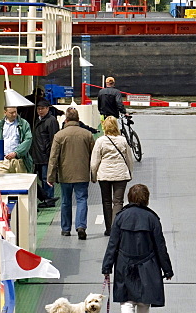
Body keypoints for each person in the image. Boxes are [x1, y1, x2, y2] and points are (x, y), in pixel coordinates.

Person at [101, 183, 174, 313]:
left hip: (124, 264)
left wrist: (107, 267)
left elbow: (113, 244)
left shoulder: (120, 217)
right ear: (146, 199)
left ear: (130, 197)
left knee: (127, 300)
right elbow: (160, 246)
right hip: (147, 264)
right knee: (143, 302)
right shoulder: (152, 218)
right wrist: (167, 269)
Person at [47, 107, 95, 239]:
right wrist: (94, 174)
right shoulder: (87, 134)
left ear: (66, 119)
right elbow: (94, 156)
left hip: (65, 174)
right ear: (78, 119)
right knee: (82, 200)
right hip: (82, 173)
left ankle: (66, 229)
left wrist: (50, 176)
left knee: (65, 201)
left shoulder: (59, 135)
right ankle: (81, 226)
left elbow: (53, 158)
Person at [91, 116, 134, 236]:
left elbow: (95, 161)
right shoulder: (123, 140)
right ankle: (116, 227)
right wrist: (129, 172)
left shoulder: (100, 141)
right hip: (120, 174)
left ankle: (109, 229)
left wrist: (93, 176)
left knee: (106, 201)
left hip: (104, 175)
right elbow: (129, 159)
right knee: (118, 202)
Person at [32, 100, 60, 209]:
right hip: (38, 154)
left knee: (46, 178)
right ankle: (46, 198)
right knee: (42, 178)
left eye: (42, 109)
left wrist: (51, 155)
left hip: (45, 155)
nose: (40, 111)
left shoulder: (51, 121)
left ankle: (49, 199)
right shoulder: (38, 120)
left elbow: (53, 139)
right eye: (38, 109)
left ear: (47, 109)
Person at [0, 107, 33, 174]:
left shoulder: (24, 123)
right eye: (11, 113)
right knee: (2, 182)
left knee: (22, 183)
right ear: (5, 113)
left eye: (15, 112)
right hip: (3, 161)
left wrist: (16, 153)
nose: (14, 114)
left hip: (18, 160)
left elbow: (28, 140)